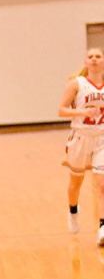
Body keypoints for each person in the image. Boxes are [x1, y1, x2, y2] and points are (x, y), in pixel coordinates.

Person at [59, 46, 104, 243]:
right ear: (85, 62)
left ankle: (102, 227)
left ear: (103, 61)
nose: (94, 59)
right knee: (75, 184)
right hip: (80, 138)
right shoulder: (76, 84)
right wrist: (82, 112)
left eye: (98, 56)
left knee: (101, 184)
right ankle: (73, 211)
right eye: (90, 56)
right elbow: (61, 110)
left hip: (102, 139)